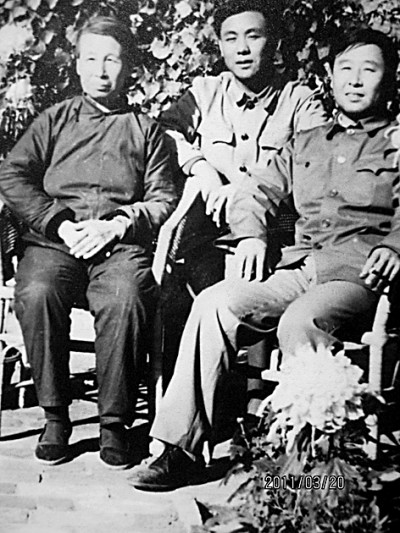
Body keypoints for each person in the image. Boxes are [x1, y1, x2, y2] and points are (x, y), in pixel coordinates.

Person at [129, 27, 400, 491]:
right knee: (215, 304)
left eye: (369, 70)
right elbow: (255, 191)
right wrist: (251, 236)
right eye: (346, 69)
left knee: (301, 321)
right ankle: (180, 449)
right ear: (331, 76)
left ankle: (313, 468)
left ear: (389, 79)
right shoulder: (307, 141)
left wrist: (394, 245)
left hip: (360, 275)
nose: (355, 80)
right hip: (300, 267)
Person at [0, 16, 176, 469]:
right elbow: (12, 174)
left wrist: (118, 225)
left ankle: (114, 423)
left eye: (112, 60)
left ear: (129, 67)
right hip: (56, 243)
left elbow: (163, 199)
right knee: (37, 291)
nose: (101, 71)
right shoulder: (54, 121)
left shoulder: (146, 130)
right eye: (92, 59)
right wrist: (57, 224)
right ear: (77, 66)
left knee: (126, 296)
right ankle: (55, 415)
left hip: (118, 246)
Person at [159, 0, 327, 410]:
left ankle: (253, 400)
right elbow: (162, 133)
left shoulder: (299, 101)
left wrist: (244, 191)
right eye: (231, 38)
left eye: (254, 36)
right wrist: (201, 169)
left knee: (249, 275)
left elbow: (312, 165)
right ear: (219, 45)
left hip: (275, 233)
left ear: (275, 43)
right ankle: (191, 405)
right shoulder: (205, 93)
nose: (242, 48)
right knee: (174, 290)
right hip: (208, 236)